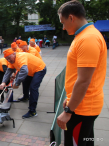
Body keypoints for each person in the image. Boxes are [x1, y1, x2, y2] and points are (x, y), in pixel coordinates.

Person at [56, 1, 107, 146]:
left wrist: (68, 111)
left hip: (82, 109)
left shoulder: (88, 38)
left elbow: (84, 81)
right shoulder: (83, 36)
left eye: (63, 22)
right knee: (86, 140)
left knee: (75, 142)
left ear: (71, 17)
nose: (63, 27)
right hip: (81, 105)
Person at [0, 49, 46, 118]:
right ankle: (26, 97)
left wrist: (17, 83)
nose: (8, 60)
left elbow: (24, 71)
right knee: (25, 82)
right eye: (6, 59)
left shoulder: (20, 57)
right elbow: (8, 71)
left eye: (9, 58)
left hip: (39, 69)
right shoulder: (11, 61)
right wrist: (3, 82)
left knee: (33, 88)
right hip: (30, 71)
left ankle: (32, 111)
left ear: (13, 54)